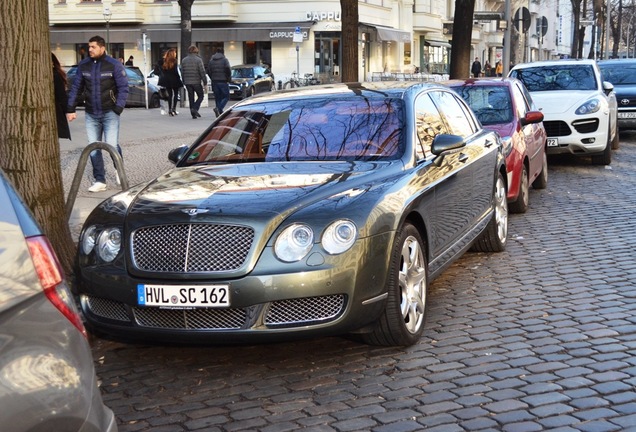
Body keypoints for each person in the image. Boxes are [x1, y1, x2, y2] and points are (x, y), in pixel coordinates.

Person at [67, 35, 129, 193]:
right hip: (91, 113)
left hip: (110, 112)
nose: (90, 50)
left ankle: (118, 171)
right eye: (89, 47)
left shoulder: (114, 65)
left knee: (111, 145)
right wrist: (70, 108)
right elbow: (76, 87)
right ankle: (100, 180)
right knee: (93, 147)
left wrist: (118, 108)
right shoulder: (84, 65)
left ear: (102, 48)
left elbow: (123, 87)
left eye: (93, 47)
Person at [180, 45, 207, 119]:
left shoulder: (184, 60)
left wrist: (184, 81)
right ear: (196, 51)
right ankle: (195, 108)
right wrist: (205, 82)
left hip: (188, 82)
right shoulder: (199, 60)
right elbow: (202, 72)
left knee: (191, 97)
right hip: (196, 82)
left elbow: (182, 72)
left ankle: (193, 114)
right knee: (201, 96)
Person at [158, 48, 183, 116]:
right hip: (174, 79)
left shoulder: (164, 61)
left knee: (170, 95)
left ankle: (169, 109)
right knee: (175, 94)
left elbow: (160, 70)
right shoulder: (174, 61)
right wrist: (179, 79)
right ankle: (174, 109)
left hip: (167, 80)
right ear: (173, 54)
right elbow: (175, 71)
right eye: (175, 53)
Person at [52, 53, 71, 140]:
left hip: (56, 111)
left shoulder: (55, 75)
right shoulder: (56, 74)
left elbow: (61, 95)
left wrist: (68, 110)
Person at [207, 48, 231, 117]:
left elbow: (208, 71)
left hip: (214, 81)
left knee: (217, 97)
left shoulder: (211, 61)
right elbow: (228, 69)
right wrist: (228, 77)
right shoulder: (225, 60)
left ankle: (219, 112)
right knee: (226, 96)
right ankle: (219, 108)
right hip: (223, 81)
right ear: (223, 53)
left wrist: (212, 77)